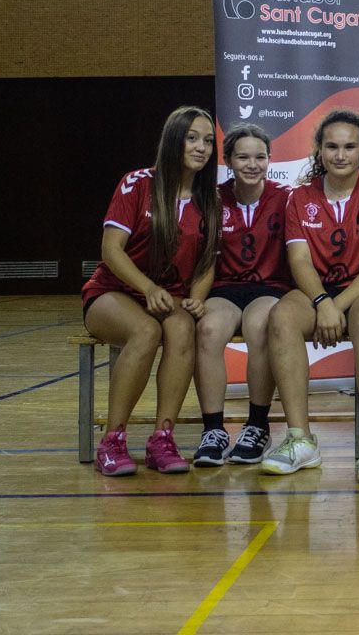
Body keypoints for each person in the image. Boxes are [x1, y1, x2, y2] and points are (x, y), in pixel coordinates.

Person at [261, 110, 359, 482]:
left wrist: (335, 306)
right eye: (332, 147)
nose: (340, 155)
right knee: (281, 318)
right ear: (320, 151)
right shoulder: (300, 197)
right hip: (319, 291)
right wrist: (322, 302)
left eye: (349, 147)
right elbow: (300, 260)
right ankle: (300, 439)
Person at [80, 106, 219, 477]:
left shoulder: (210, 199)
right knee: (145, 331)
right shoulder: (138, 183)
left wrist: (198, 297)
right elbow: (111, 250)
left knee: (182, 327)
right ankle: (112, 441)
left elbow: (207, 262)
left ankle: (162, 439)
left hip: (167, 296)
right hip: (113, 292)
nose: (201, 147)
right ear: (173, 139)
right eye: (192, 138)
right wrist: (147, 286)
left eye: (207, 140)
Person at [190, 123, 291, 466]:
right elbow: (202, 257)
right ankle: (214, 430)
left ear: (269, 160)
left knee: (260, 325)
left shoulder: (286, 198)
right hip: (226, 288)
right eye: (243, 157)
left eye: (259, 157)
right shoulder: (212, 200)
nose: (252, 164)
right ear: (228, 161)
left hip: (270, 286)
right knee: (207, 329)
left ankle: (257, 426)